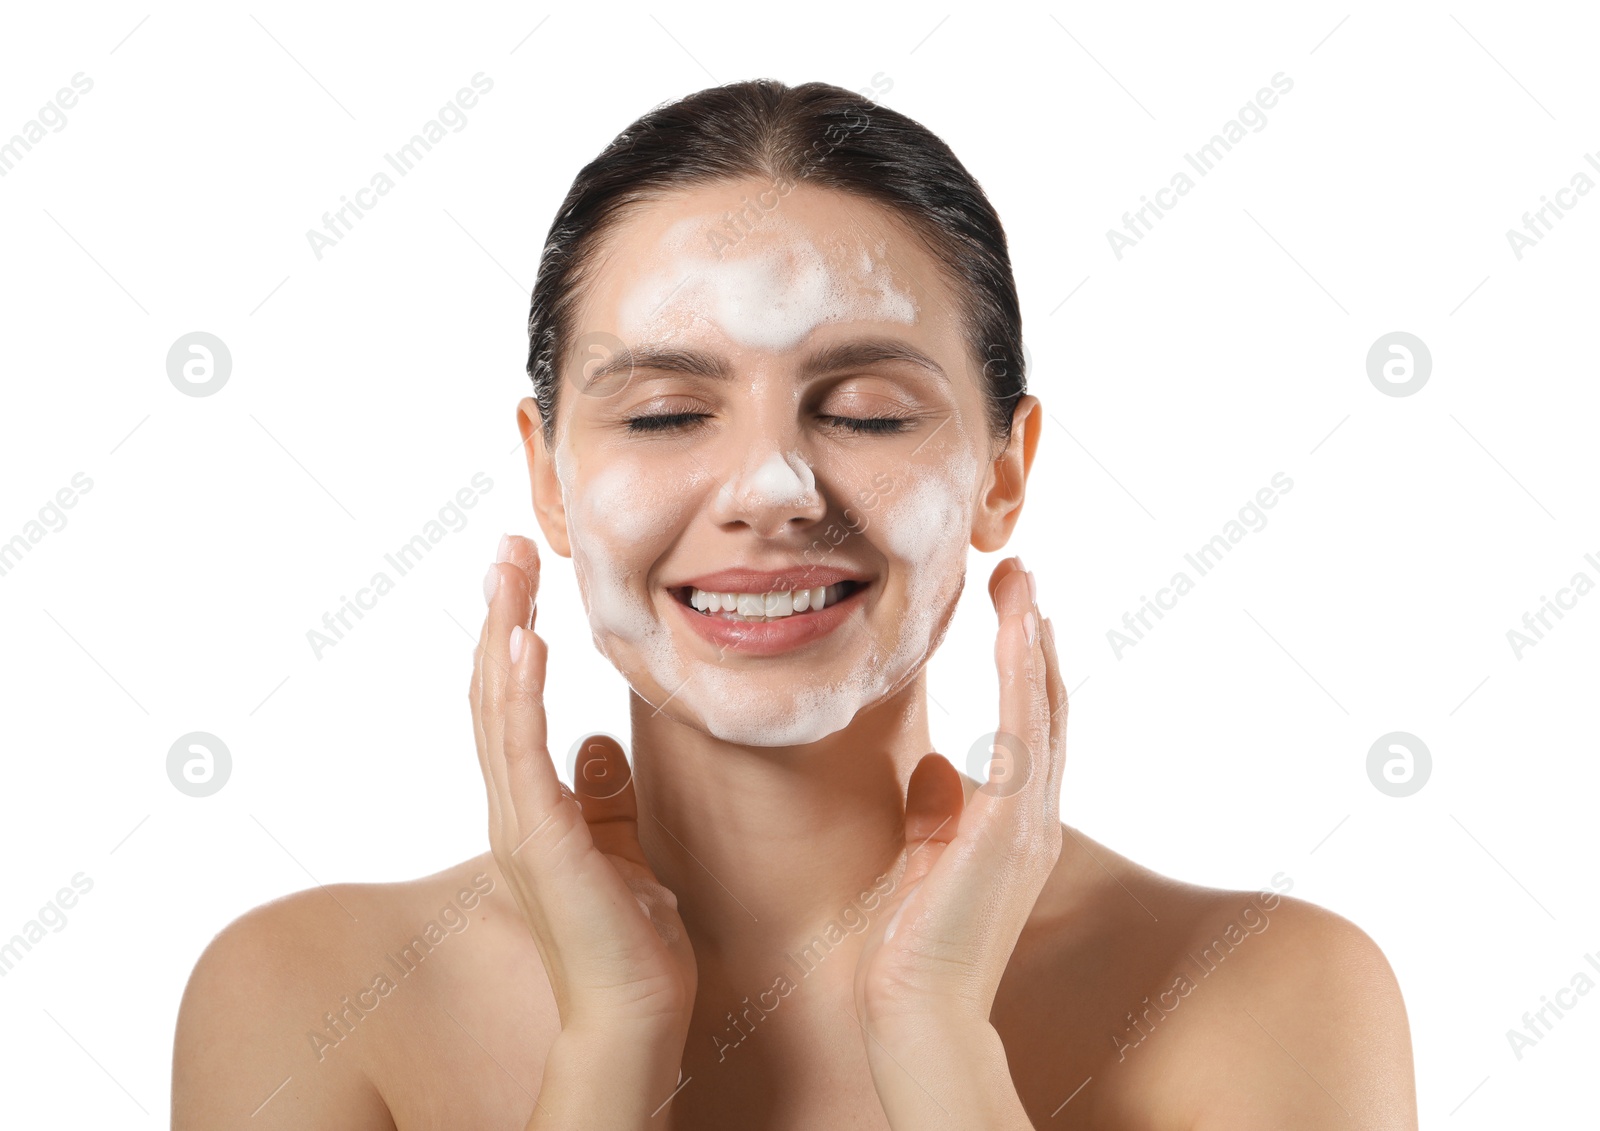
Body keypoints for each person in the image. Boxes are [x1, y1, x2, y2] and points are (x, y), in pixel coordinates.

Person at [172, 79, 1418, 1129]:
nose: (770, 488)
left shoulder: (1259, 993)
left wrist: (939, 1046)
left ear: (1002, 474)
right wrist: (611, 1048)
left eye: (867, 412)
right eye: (665, 413)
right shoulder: (307, 998)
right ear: (549, 479)